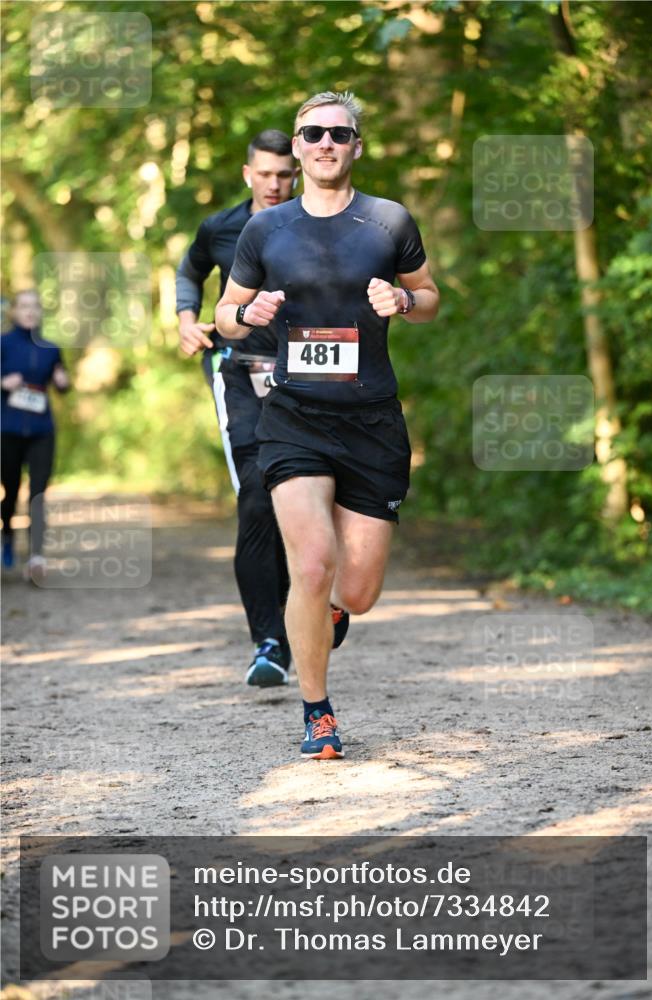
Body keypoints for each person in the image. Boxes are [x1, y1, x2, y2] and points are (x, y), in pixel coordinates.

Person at [216, 91, 439, 759]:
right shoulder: (266, 231)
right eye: (311, 133)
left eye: (338, 134)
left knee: (359, 591)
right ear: (296, 144)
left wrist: (402, 298)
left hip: (371, 420)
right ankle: (316, 711)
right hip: (293, 417)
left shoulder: (387, 222)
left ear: (355, 146)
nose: (324, 143)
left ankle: (333, 614)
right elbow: (225, 314)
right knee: (310, 565)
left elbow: (430, 298)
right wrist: (246, 316)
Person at [177, 130, 300, 687]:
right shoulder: (221, 227)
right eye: (265, 174)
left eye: (284, 174)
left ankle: (312, 610)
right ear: (248, 173)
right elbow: (190, 270)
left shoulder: (315, 222)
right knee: (257, 495)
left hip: (308, 377)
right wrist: (185, 318)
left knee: (306, 498)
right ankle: (270, 640)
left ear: (295, 174)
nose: (275, 184)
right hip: (238, 373)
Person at [1, 289, 70, 582]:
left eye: (35, 307)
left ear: (41, 312)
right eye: (24, 306)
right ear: (14, 311)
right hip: (8, 429)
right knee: (12, 489)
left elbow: (62, 381)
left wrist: (63, 381)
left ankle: (36, 558)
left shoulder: (50, 348)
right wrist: (3, 382)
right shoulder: (3, 344)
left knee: (38, 494)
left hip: (42, 430)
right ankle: (6, 531)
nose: (30, 312)